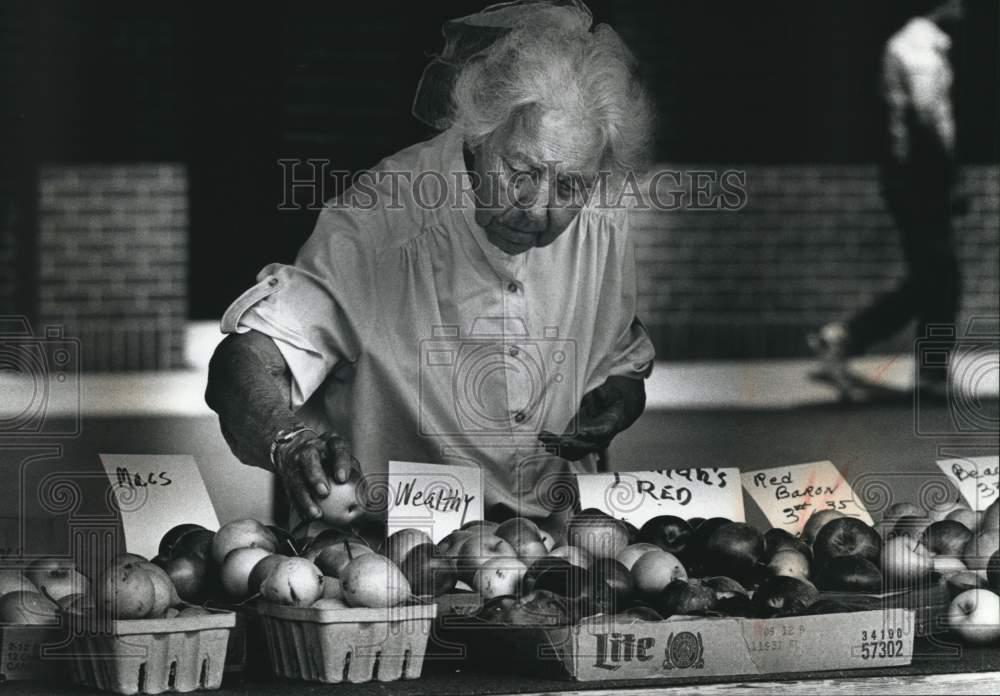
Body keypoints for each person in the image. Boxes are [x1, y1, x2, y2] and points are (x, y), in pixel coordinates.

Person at [204, 1, 656, 533]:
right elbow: (245, 361)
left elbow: (622, 359)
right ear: (478, 132)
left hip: (557, 550)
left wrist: (616, 402)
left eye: (570, 186)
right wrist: (288, 441)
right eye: (520, 171)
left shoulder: (602, 218)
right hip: (397, 554)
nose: (537, 207)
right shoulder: (380, 218)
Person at [809, 0, 965, 399]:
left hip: (917, 174)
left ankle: (922, 369)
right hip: (921, 175)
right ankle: (848, 337)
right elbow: (926, 116)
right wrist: (948, 179)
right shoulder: (916, 46)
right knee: (939, 273)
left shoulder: (923, 44)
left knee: (937, 276)